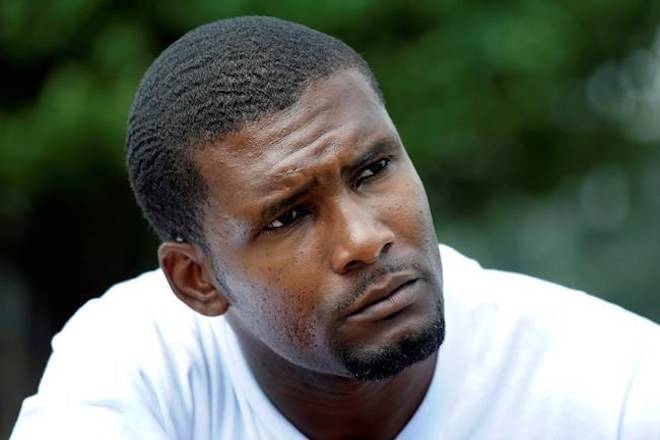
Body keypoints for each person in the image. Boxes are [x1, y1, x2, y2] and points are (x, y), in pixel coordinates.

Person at [11, 16, 660, 439]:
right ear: (198, 280)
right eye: (288, 216)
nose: (363, 240)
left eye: (374, 169)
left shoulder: (618, 385)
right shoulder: (139, 361)